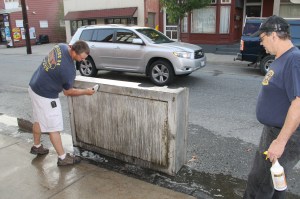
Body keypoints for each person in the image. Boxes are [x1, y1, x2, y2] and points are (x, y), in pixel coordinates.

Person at [243, 15, 300, 199]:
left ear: (273, 35)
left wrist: (281, 141)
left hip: (283, 134)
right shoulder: (281, 58)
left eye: (262, 38)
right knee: (276, 181)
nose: (261, 43)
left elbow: (298, 104)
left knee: (259, 183)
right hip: (273, 131)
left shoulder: (294, 60)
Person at [28, 40, 96, 166]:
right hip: (46, 96)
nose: (82, 60)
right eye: (81, 57)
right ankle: (63, 158)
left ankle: (36, 146)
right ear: (74, 51)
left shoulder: (61, 46)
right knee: (54, 128)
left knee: (38, 120)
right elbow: (68, 92)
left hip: (34, 86)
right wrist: (86, 91)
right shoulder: (68, 70)